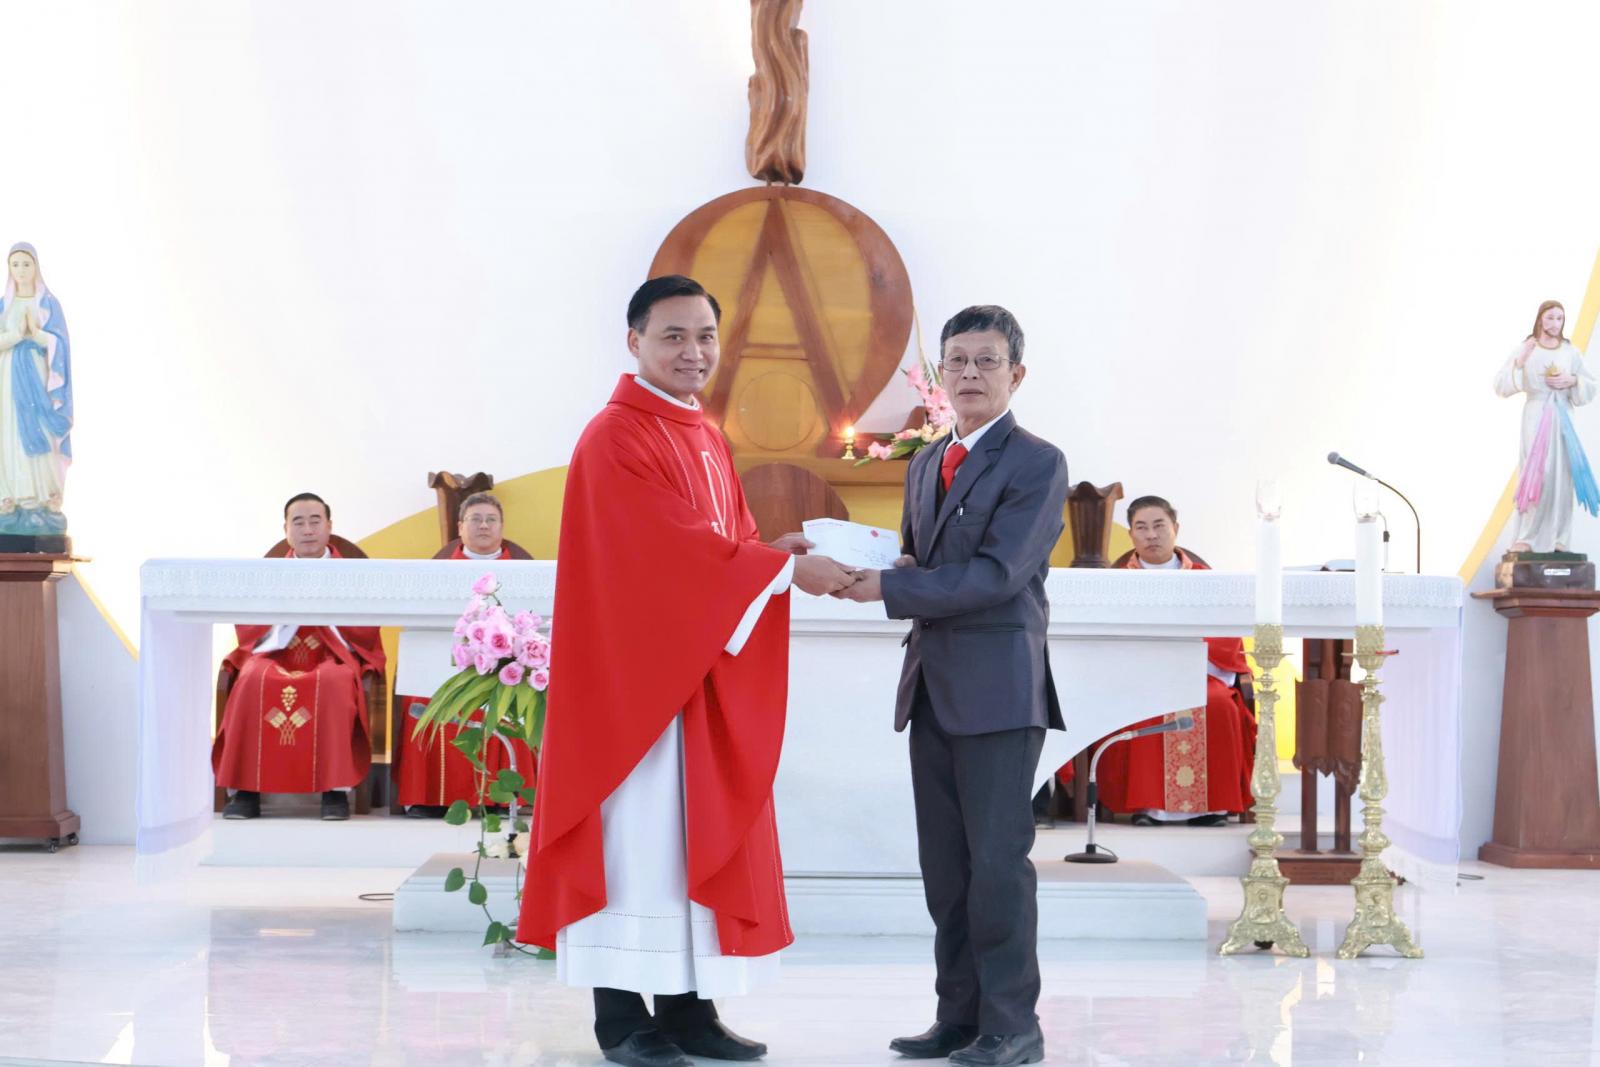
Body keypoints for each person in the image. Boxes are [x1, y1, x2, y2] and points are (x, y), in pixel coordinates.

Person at [516, 275, 858, 1067]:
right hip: (632, 688)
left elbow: (719, 542)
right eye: (673, 335)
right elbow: (661, 554)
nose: (693, 352)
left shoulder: (702, 432)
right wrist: (777, 570)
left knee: (678, 847)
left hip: (692, 679)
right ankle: (618, 1017)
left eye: (705, 335)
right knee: (633, 844)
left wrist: (769, 554)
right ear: (634, 341)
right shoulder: (615, 435)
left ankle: (686, 1009)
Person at [837, 305, 1068, 1067]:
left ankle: (1013, 1025)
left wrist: (889, 587)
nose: (969, 373)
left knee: (998, 865)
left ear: (1016, 374)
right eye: (957, 360)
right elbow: (924, 561)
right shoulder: (926, 459)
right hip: (932, 685)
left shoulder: (1036, 462)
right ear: (941, 373)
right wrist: (882, 567)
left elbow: (998, 573)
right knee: (947, 867)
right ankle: (959, 1016)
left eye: (986, 361)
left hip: (999, 691)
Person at [211, 493, 387, 821]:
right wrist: (287, 616)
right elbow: (248, 626)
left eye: (315, 521)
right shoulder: (268, 574)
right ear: (286, 530)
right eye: (299, 522)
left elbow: (367, 628)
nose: (307, 530)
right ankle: (246, 791)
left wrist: (324, 612)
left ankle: (334, 791)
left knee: (334, 683)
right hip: (276, 652)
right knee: (250, 679)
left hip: (331, 654)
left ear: (329, 526)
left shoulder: (353, 574)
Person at [1090, 496, 1255, 826]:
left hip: (1199, 673)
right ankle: (1148, 806)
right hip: (1139, 677)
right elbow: (1106, 639)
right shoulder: (1116, 583)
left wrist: (1188, 658)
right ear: (1131, 535)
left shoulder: (1207, 580)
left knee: (1218, 703)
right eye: (1141, 527)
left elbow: (1226, 637)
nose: (1151, 535)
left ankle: (1211, 808)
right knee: (1143, 703)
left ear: (1175, 528)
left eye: (1159, 526)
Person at [393, 491, 534, 816]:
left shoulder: (525, 572)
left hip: (504, 660)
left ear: (501, 526)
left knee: (517, 688)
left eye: (491, 519)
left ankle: (501, 797)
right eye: (475, 519)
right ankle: (428, 797)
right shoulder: (436, 573)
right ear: (460, 527)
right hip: (447, 655)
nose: (483, 525)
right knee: (419, 690)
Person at [1495, 299, 1599, 553]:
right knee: (1538, 473)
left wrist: (1572, 380)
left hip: (1563, 417)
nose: (1555, 323)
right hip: (1536, 414)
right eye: (1550, 317)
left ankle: (1559, 539)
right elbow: (1501, 385)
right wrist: (1520, 362)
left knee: (1563, 477)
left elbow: (1590, 384)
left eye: (1559, 318)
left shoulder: (1570, 352)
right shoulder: (1527, 348)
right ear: (1540, 318)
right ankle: (1527, 537)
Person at [0, 242, 72, 535]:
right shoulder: (4, 305)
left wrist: (38, 335)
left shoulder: (48, 304)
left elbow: (60, 344)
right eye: (15, 264)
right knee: (12, 435)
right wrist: (16, 335)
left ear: (36, 266)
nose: (21, 270)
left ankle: (45, 498)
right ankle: (16, 498)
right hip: (9, 380)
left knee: (42, 429)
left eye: (26, 264)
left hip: (40, 379)